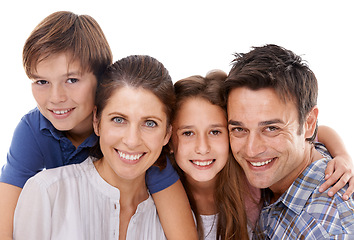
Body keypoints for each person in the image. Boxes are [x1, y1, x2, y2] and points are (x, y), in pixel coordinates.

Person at [0, 11, 196, 240]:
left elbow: (181, 232)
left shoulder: (132, 144)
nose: (55, 97)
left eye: (71, 80)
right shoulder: (33, 130)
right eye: (41, 81)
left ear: (102, 80)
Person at [14, 55, 180, 239]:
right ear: (97, 121)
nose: (132, 141)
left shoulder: (172, 224)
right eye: (118, 119)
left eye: (150, 123)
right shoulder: (47, 193)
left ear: (167, 133)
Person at [225, 44, 354, 239]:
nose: (251, 150)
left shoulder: (325, 230)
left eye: (271, 128)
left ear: (309, 123)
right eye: (239, 129)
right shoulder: (293, 163)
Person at [170, 70, 250, 240]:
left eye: (214, 132)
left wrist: (322, 136)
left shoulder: (252, 186)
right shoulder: (159, 196)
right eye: (188, 133)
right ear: (169, 140)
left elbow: (305, 139)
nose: (203, 148)